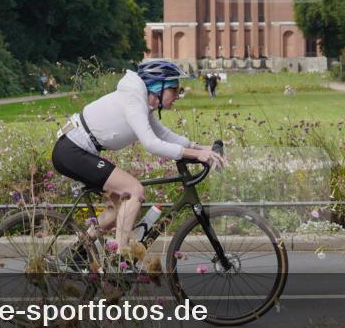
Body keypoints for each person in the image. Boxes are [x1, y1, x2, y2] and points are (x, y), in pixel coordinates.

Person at [51, 60, 224, 265]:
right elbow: (151, 144)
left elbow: (163, 134)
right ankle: (121, 258)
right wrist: (194, 155)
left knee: (118, 209)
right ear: (157, 88)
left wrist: (200, 148)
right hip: (72, 150)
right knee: (134, 191)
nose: (178, 95)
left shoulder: (142, 103)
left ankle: (75, 252)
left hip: (78, 150)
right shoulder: (134, 101)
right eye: (174, 90)